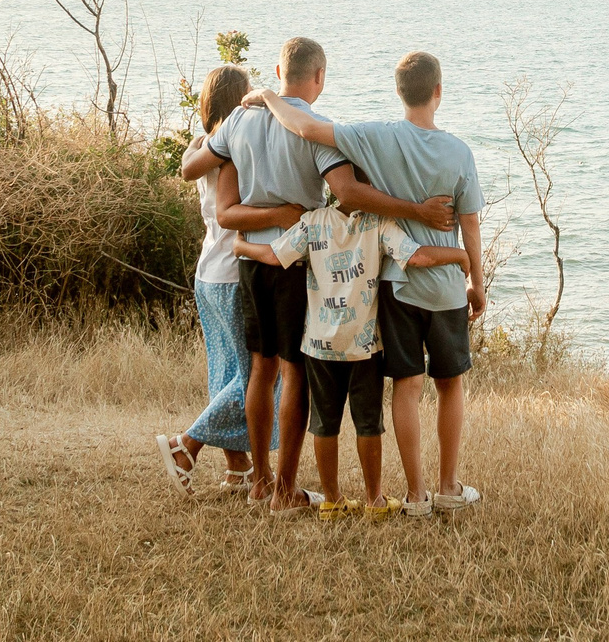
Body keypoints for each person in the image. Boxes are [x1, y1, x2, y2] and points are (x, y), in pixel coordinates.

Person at [180, 36, 452, 512]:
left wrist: (235, 129)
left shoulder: (239, 119)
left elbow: (196, 168)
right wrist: (414, 210)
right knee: (291, 372)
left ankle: (260, 481)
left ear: (277, 69)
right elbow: (346, 193)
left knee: (259, 371)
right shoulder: (314, 129)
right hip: (293, 264)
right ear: (319, 77)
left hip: (249, 263)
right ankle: (285, 490)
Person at [243, 49, 487, 513]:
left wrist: (269, 95)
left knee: (408, 386)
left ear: (399, 93)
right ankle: (449, 487)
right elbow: (470, 225)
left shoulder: (376, 137)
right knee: (450, 385)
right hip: (446, 289)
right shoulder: (459, 151)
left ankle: (415, 495)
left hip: (397, 286)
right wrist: (476, 282)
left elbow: (307, 128)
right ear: (438, 91)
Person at [233, 200, 467, 517]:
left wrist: (242, 246)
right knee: (368, 424)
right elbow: (418, 256)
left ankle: (332, 500)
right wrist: (460, 255)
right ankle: (374, 500)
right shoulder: (378, 224)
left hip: (318, 345)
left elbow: (275, 256)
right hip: (364, 344)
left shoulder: (312, 222)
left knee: (324, 424)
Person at [159, 64, 257, 495]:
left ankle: (237, 467)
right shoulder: (233, 150)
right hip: (234, 273)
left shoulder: (197, 146)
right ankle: (186, 445)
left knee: (225, 371)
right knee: (252, 375)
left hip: (206, 272)